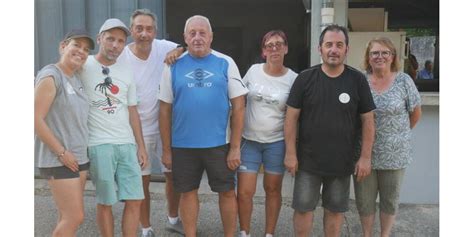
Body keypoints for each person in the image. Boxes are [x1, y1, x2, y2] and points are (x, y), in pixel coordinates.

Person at [159, 15, 248, 237]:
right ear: (185, 38)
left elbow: (239, 106)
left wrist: (235, 147)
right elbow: (164, 109)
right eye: (192, 33)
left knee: (227, 192)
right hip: (183, 145)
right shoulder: (173, 65)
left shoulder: (225, 62)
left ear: (211, 37)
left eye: (202, 33)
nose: (197, 37)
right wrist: (167, 150)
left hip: (219, 144)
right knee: (188, 193)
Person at [284, 24, 376, 237]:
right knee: (303, 208)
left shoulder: (357, 80)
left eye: (339, 45)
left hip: (342, 162)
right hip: (308, 161)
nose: (333, 49)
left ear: (346, 49)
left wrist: (365, 157)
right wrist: (290, 153)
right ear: (320, 49)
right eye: (329, 45)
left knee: (335, 210)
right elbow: (291, 117)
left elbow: (368, 120)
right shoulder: (305, 78)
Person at [117, 9, 185, 237]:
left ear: (155, 31)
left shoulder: (163, 47)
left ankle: (173, 218)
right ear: (131, 31)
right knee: (142, 180)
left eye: (148, 29)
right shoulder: (122, 57)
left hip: (167, 126)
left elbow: (183, 47)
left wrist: (176, 51)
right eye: (139, 28)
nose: (144, 34)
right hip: (138, 128)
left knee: (172, 174)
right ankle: (146, 227)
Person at [78, 18, 148, 237]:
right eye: (110, 39)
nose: (115, 45)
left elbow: (132, 110)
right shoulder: (83, 65)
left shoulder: (126, 70)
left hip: (126, 144)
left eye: (120, 40)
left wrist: (141, 146)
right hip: (99, 145)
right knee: (106, 201)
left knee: (135, 199)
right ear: (99, 39)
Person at [354, 37, 422, 237]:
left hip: (395, 154)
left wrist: (398, 134)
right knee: (364, 200)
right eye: (375, 53)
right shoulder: (360, 81)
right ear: (368, 57)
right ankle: (367, 234)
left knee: (390, 199)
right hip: (364, 153)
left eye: (385, 52)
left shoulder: (404, 80)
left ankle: (384, 235)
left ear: (393, 56)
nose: (380, 57)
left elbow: (416, 113)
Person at [34, 29, 94, 237]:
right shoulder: (52, 75)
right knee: (74, 217)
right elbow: (35, 119)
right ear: (63, 46)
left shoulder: (76, 78)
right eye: (76, 45)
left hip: (78, 158)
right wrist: (61, 152)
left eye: (86, 49)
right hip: (59, 159)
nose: (81, 51)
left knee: (65, 217)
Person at [237, 30, 297, 237]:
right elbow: (238, 99)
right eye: (270, 45)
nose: (274, 48)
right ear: (263, 51)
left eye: (279, 44)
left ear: (286, 48)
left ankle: (269, 233)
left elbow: (294, 117)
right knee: (245, 192)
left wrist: (291, 151)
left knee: (273, 190)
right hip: (249, 141)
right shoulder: (253, 71)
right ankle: (244, 232)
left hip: (276, 143)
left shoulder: (293, 79)